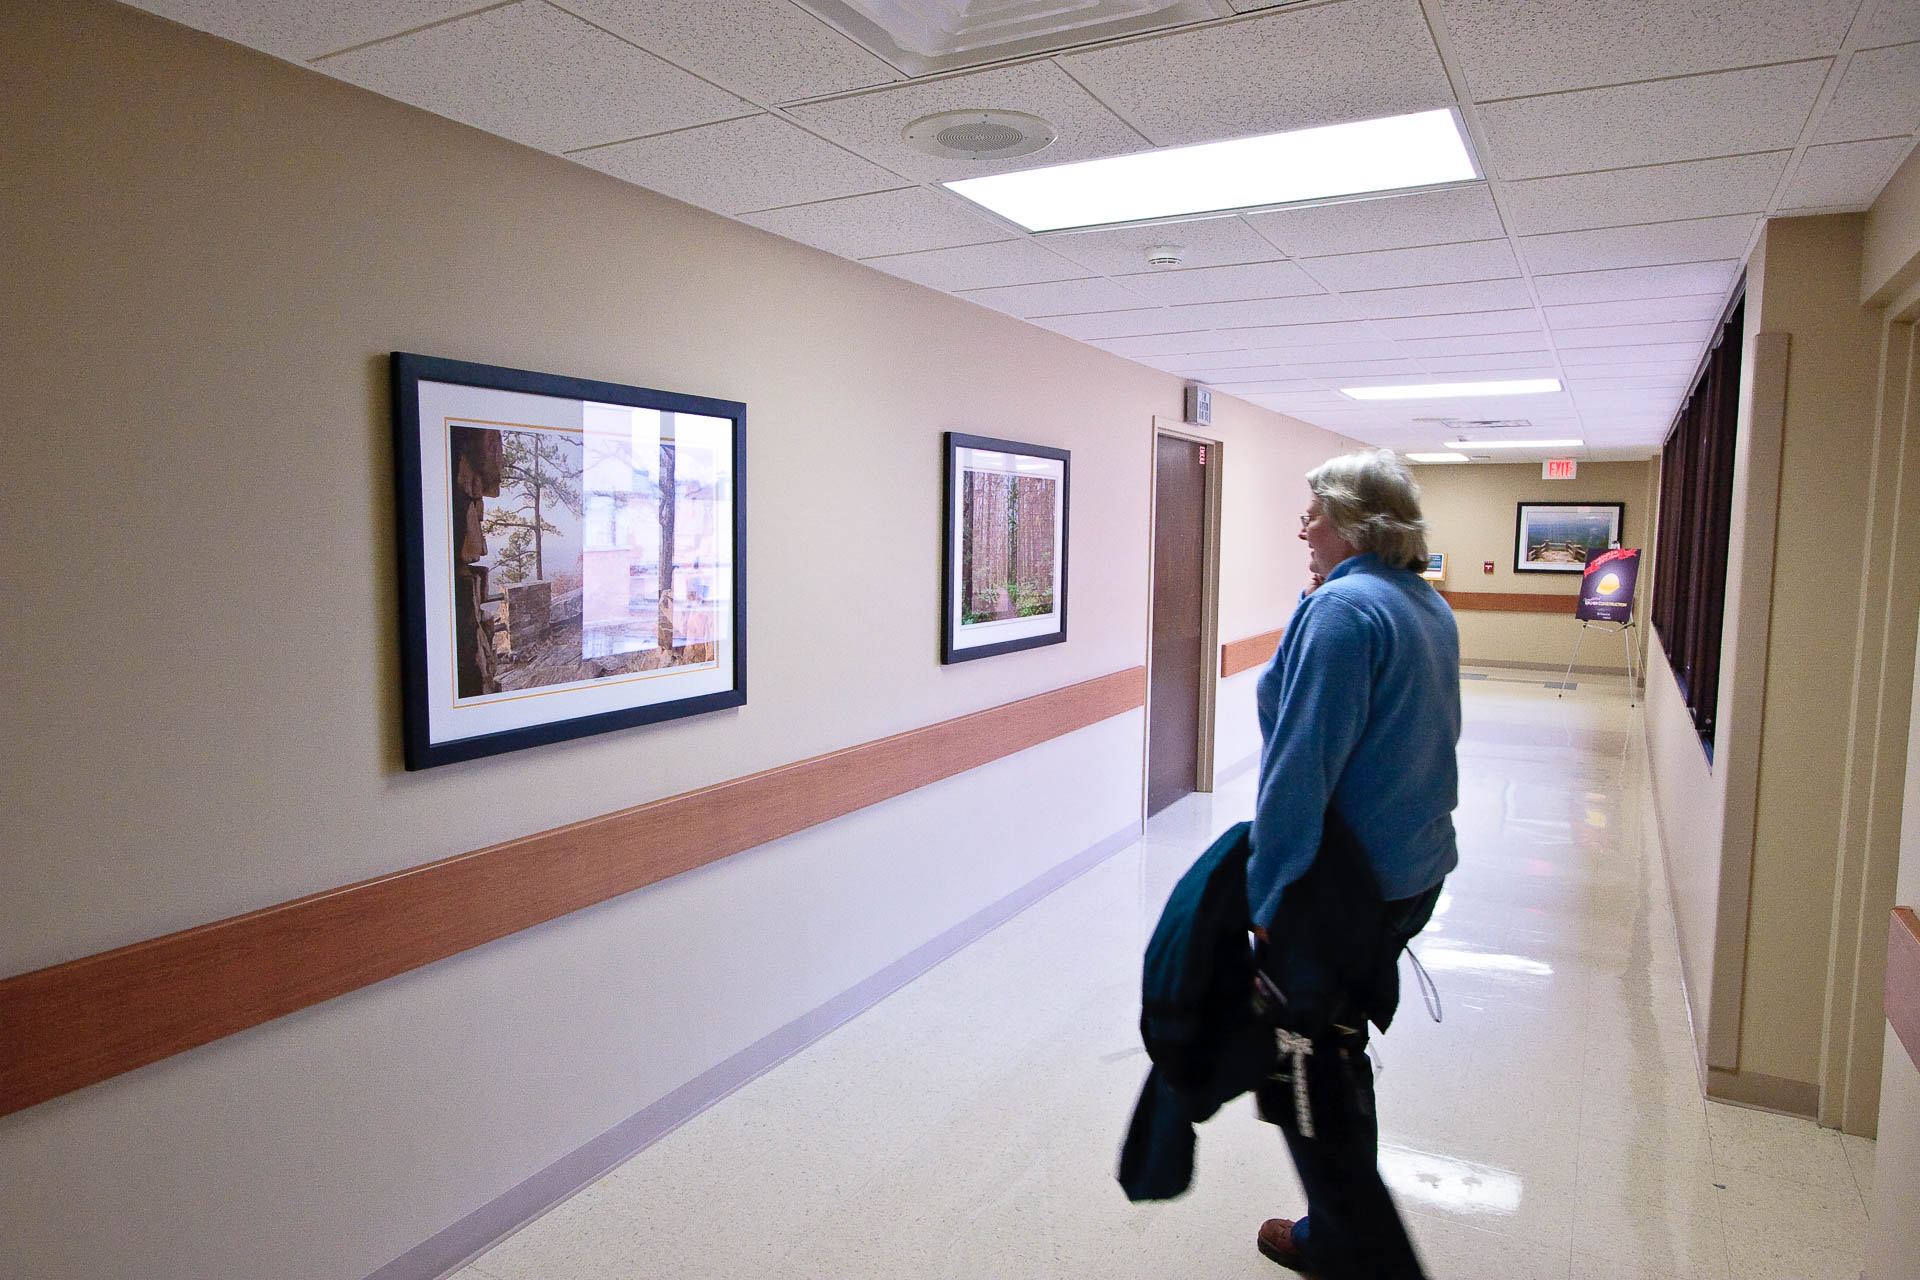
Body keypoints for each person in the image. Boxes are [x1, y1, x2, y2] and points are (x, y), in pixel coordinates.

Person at [1248, 449, 1460, 1279]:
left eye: (1316, 512)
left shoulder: (1343, 615)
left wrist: (1265, 896)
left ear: (1358, 523)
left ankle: (1341, 1240)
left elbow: (1301, 769)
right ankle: (1340, 1226)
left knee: (1307, 1059)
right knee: (1334, 1040)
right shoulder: (1423, 604)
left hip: (1345, 887)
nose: (1303, 525)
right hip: (1413, 870)